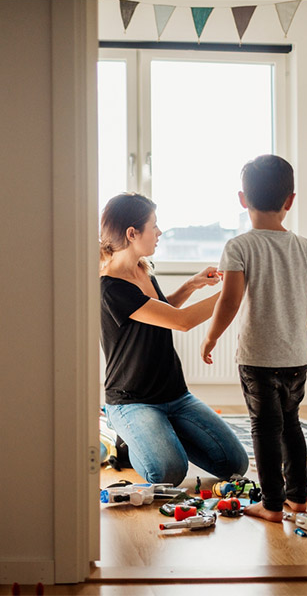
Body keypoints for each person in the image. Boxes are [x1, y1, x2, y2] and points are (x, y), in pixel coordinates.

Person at [200, 154, 307, 522]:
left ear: (243, 199)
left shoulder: (240, 246)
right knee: (292, 425)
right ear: (290, 200)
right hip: (295, 358)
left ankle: (272, 505)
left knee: (264, 428)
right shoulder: (306, 247)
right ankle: (298, 499)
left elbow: (230, 301)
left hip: (257, 358)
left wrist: (211, 338)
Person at [100, 193, 249, 487]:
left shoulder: (142, 269)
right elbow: (180, 322)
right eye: (154, 226)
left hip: (175, 395)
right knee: (168, 473)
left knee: (235, 463)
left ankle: (163, 430)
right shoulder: (111, 287)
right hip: (132, 401)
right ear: (132, 233)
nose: (159, 232)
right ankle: (126, 435)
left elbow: (161, 311)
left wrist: (192, 284)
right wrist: (236, 291)